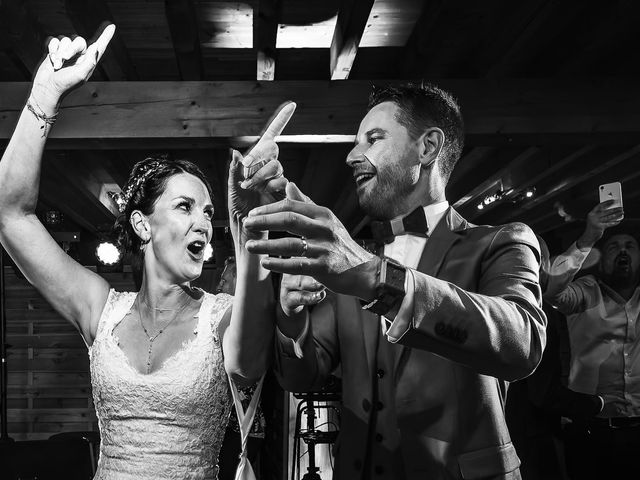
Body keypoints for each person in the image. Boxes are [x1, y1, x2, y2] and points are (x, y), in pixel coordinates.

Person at [0, 25, 291, 479]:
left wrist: (247, 225)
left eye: (209, 211)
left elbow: (249, 364)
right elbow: (10, 216)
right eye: (184, 206)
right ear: (142, 225)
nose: (202, 221)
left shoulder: (223, 316)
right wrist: (45, 94)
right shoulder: (99, 309)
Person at [242, 83, 547, 479]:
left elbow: (522, 344)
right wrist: (290, 314)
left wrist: (377, 279)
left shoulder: (500, 243)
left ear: (428, 147)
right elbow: (303, 376)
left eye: (373, 138)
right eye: (356, 143)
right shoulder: (353, 259)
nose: (352, 156)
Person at [544, 201, 640, 480]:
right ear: (603, 259)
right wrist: (589, 237)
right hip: (591, 432)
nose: (622, 251)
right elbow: (551, 290)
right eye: (613, 247)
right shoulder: (585, 292)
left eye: (630, 246)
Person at [505, 236, 603, 480]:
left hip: (505, 434)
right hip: (535, 437)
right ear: (540, 263)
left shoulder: (500, 304)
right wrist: (596, 405)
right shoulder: (536, 312)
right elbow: (542, 393)